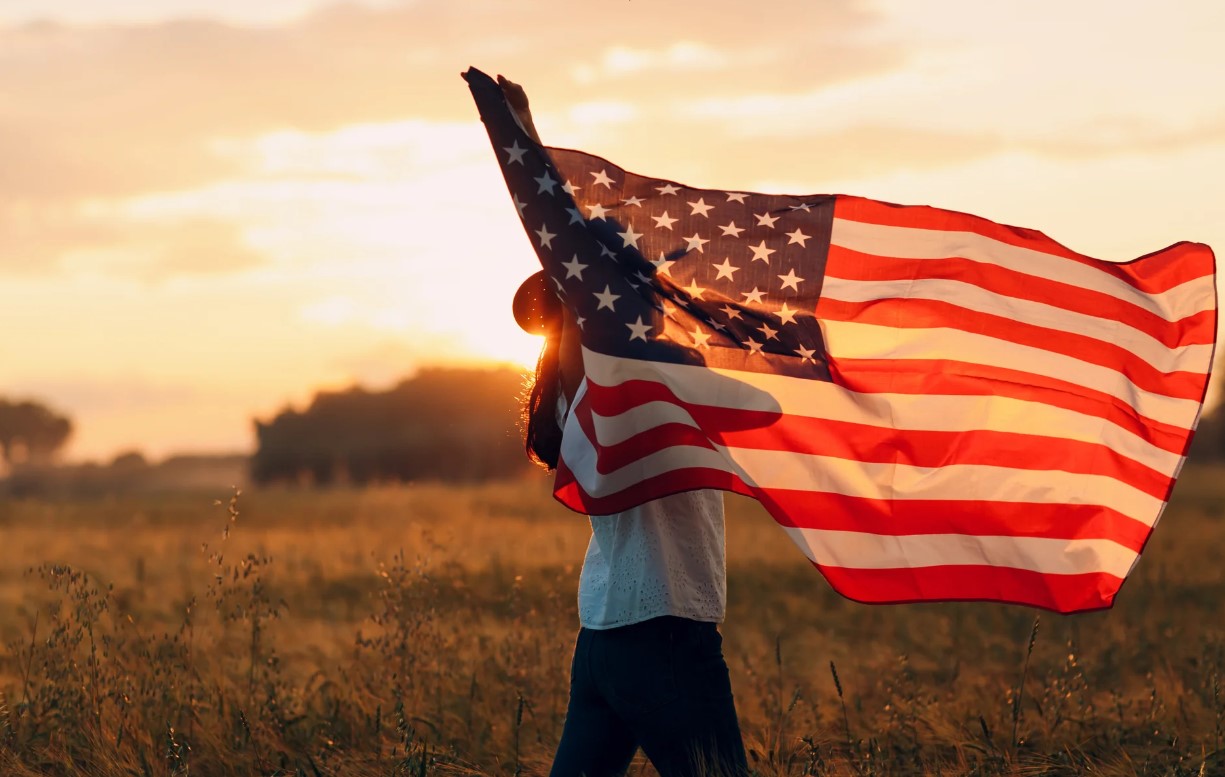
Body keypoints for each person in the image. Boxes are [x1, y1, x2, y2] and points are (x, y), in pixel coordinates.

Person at [501, 75, 750, 777]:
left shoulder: (567, 393)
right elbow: (761, 408)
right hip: (665, 626)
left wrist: (523, 135)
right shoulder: (640, 378)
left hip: (605, 634)